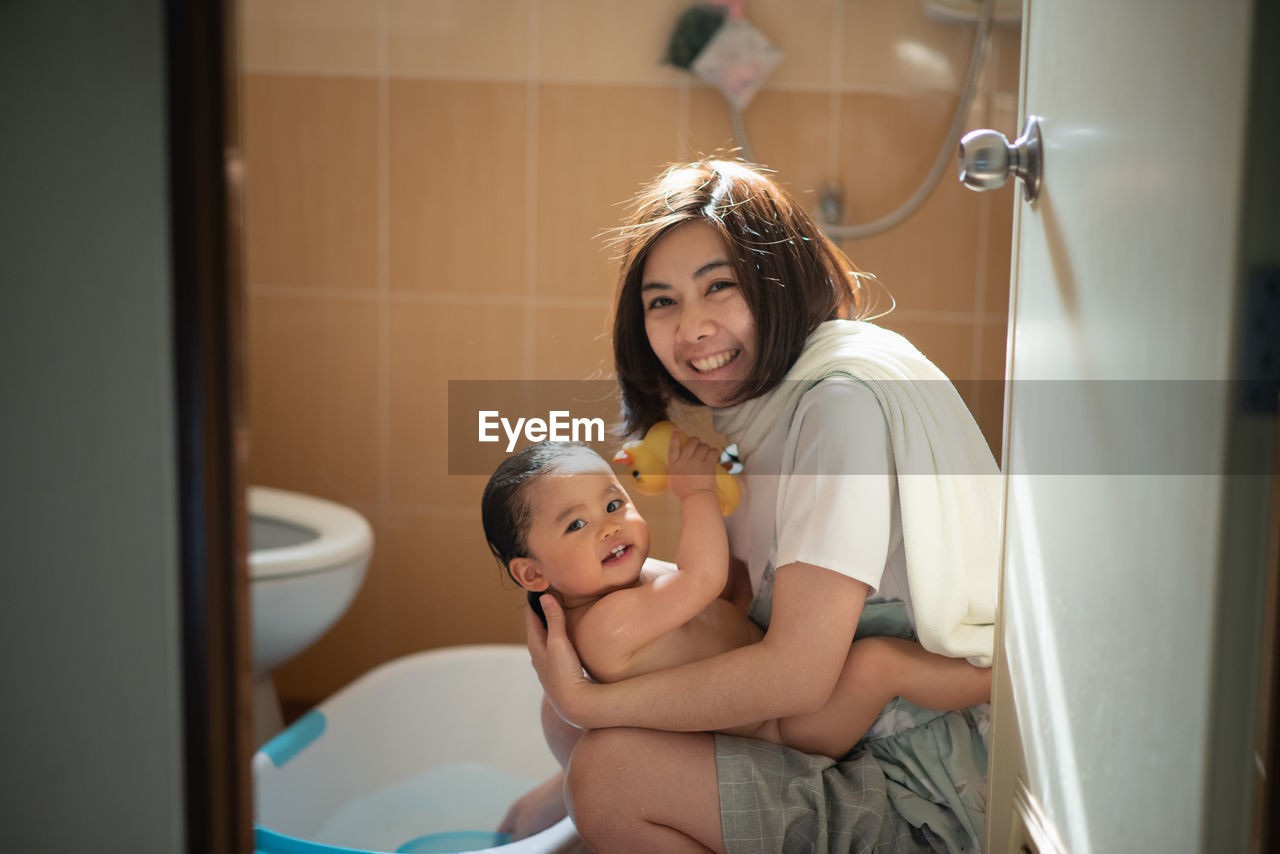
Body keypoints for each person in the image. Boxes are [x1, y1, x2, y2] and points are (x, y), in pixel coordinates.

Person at [507, 158, 1002, 853]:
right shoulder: (755, 426)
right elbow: (731, 615)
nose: (694, 329)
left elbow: (795, 676)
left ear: (778, 285)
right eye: (663, 302)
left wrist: (590, 703)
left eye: (720, 288)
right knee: (570, 737)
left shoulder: (838, 411)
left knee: (605, 775)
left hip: (917, 789)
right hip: (836, 736)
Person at [481, 437, 991, 760]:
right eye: (576, 523)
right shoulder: (605, 626)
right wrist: (697, 493)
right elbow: (702, 580)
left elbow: (709, 599)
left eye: (614, 502)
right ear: (532, 572)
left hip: (772, 682)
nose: (609, 525)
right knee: (877, 664)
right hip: (780, 730)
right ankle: (998, 683)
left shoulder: (622, 587)